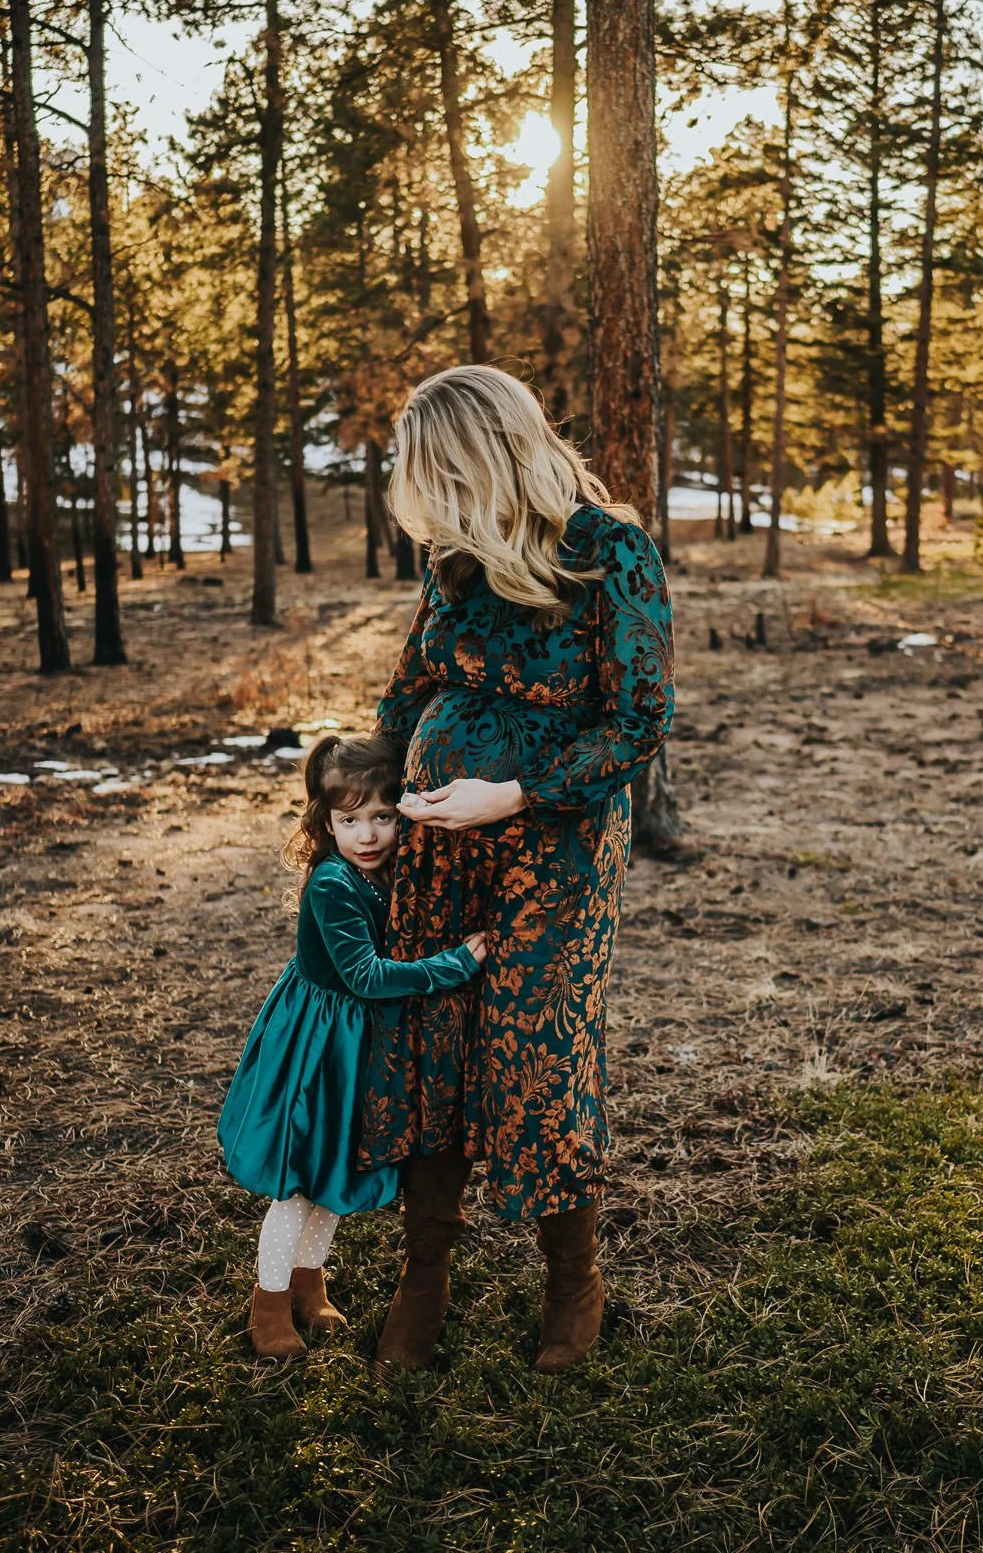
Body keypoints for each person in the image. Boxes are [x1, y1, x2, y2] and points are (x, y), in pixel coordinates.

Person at [359, 363, 674, 1375]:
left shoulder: (607, 551)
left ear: (490, 454)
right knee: (431, 1035)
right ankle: (425, 1270)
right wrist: (365, 807)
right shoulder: (452, 559)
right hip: (436, 845)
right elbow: (409, 692)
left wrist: (518, 791)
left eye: (440, 474)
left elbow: (638, 723)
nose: (430, 500)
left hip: (558, 841)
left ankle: (571, 1273)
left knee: (536, 1042)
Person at [216, 732, 487, 1360]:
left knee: (338, 1166)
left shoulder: (392, 871)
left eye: (381, 818)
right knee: (300, 1182)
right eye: (349, 820)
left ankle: (310, 1284)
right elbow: (364, 974)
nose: (366, 835)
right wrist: (452, 966)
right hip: (316, 1044)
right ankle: (269, 1303)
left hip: (357, 1041)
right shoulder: (333, 884)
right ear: (326, 822)